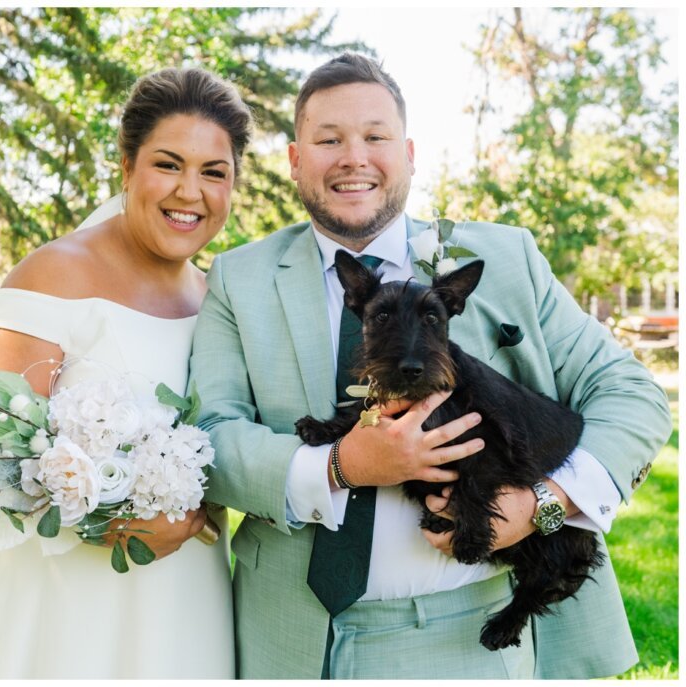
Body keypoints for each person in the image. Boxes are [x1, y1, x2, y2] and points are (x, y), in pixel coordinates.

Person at [189, 52, 671, 679]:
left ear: (410, 153)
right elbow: (211, 437)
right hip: (298, 641)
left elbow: (634, 394)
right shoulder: (238, 277)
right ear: (296, 159)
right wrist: (338, 466)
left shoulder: (506, 256)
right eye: (328, 139)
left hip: (476, 634)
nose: (353, 157)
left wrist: (540, 507)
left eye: (375, 136)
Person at [0, 67, 252, 679]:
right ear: (126, 166)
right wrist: (106, 522)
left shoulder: (217, 299)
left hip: (185, 593)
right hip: (62, 594)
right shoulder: (56, 273)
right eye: (168, 164)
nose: (191, 192)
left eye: (215, 173)